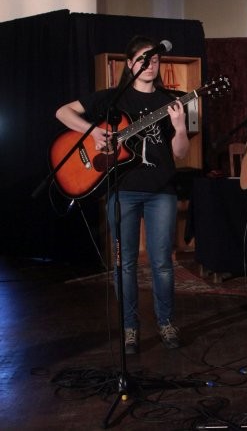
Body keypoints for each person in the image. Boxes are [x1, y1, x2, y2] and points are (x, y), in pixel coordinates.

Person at [56, 35, 188, 354]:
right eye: (143, 59)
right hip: (122, 190)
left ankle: (166, 323)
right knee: (124, 264)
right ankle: (130, 328)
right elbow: (63, 112)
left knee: (162, 263)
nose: (149, 65)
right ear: (130, 64)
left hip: (161, 190)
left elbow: (180, 153)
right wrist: (94, 132)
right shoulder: (113, 99)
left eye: (154, 60)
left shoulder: (170, 102)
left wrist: (180, 126)